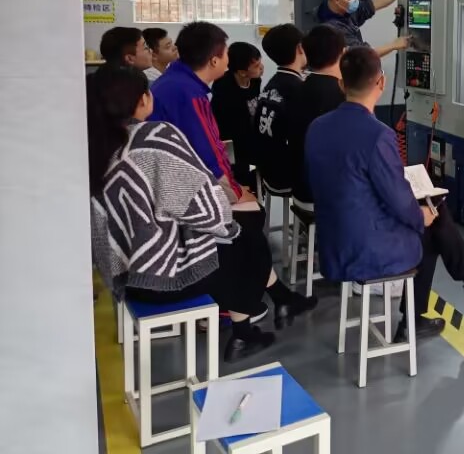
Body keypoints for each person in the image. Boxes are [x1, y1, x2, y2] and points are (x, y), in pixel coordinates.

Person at [306, 46, 464, 340]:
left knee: (432, 214)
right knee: (430, 226)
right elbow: (397, 198)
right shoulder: (378, 135)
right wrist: (420, 215)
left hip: (332, 242)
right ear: (381, 82)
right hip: (365, 250)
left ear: (341, 83)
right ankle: (439, 304)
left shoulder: (317, 127)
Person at [86, 65, 274, 361]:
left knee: (236, 240)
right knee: (248, 241)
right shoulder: (153, 137)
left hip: (124, 279)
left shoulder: (93, 146)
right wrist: (229, 224)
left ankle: (253, 320)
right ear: (142, 100)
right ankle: (242, 332)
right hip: (167, 281)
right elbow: (207, 208)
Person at [149, 22, 316, 336]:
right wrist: (234, 191)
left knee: (250, 219)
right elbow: (207, 152)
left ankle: (272, 300)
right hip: (174, 194)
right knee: (248, 222)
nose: (228, 59)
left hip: (176, 185)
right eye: (225, 53)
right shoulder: (187, 93)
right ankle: (239, 305)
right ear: (214, 59)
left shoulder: (179, 84)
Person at [288, 25, 347, 203]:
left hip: (299, 186)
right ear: (343, 53)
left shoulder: (296, 88)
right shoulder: (343, 97)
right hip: (327, 195)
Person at [253, 24, 306, 194]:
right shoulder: (298, 89)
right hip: (288, 178)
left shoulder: (272, 84)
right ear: (300, 48)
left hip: (268, 171)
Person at [315, 0, 420, 58]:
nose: (356, 0)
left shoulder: (343, 9)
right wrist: (394, 45)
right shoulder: (332, 29)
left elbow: (375, 3)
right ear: (337, 0)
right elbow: (363, 55)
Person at [211, 42, 264, 187]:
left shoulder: (255, 81)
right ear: (242, 72)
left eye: (260, 62)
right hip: (229, 140)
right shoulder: (223, 87)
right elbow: (227, 128)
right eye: (256, 66)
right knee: (237, 175)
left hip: (249, 137)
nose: (261, 67)